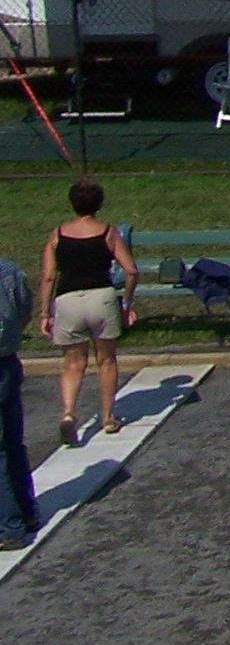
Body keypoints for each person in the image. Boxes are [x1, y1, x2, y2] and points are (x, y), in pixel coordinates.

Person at [38, 178, 138, 449]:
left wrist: (45, 313)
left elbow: (48, 277)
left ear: (72, 203)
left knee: (73, 363)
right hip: (101, 298)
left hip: (68, 300)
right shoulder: (107, 232)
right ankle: (108, 417)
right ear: (99, 204)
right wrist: (127, 303)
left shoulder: (58, 234)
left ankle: (69, 413)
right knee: (106, 360)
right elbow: (131, 270)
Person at [0, 248, 36, 549]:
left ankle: (9, 527)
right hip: (7, 361)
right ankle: (27, 511)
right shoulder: (11, 271)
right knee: (13, 442)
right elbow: (25, 314)